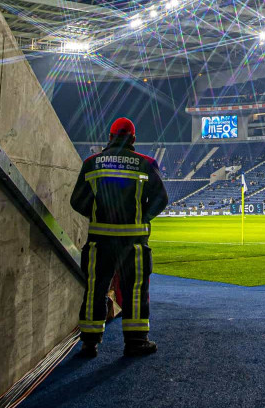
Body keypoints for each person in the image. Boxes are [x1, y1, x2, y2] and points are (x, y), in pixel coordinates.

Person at [70, 117, 169, 358]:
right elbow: (161, 199)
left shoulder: (92, 163)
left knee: (95, 289)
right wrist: (142, 217)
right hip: (133, 243)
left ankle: (89, 343)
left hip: (99, 241)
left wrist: (97, 213)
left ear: (110, 137)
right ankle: (135, 342)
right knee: (135, 290)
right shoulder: (145, 163)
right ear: (133, 139)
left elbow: (76, 201)